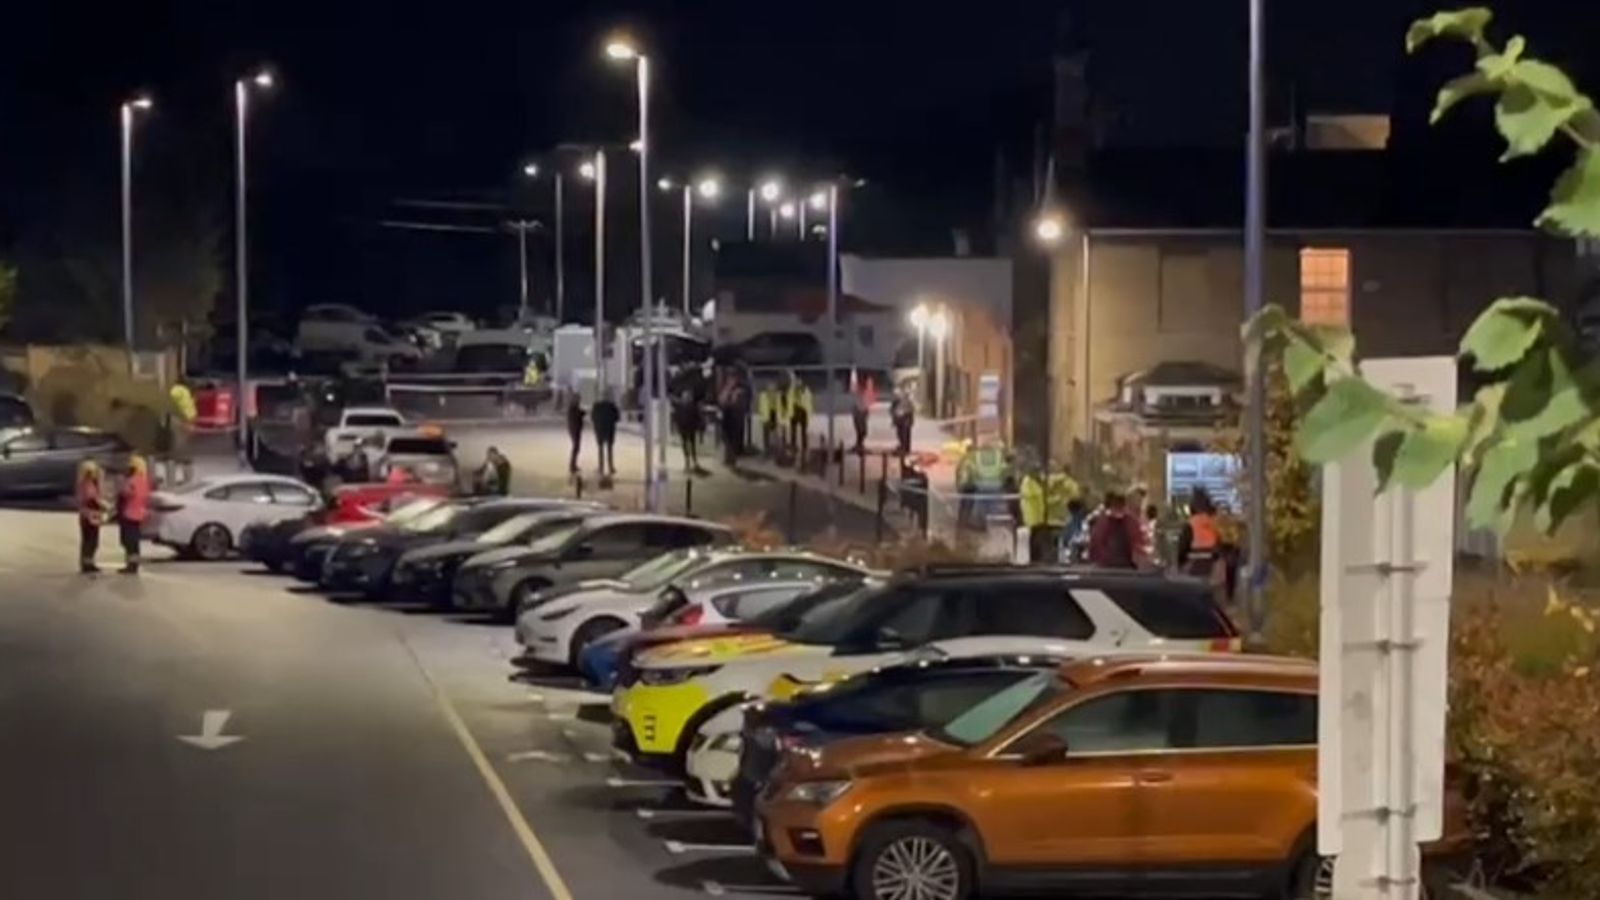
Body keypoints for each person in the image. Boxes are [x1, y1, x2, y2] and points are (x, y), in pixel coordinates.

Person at [1087, 491, 1144, 569]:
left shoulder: (1104, 521)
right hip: (1115, 563)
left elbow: (1096, 542)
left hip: (1114, 563)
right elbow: (1138, 543)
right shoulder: (1130, 521)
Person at [1176, 488, 1221, 579]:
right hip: (1212, 566)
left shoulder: (1191, 524)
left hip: (1194, 565)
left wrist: (1179, 565)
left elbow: (1183, 547)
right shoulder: (1214, 522)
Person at [117, 454, 151, 574]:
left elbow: (126, 493)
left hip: (129, 513)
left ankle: (131, 565)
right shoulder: (144, 480)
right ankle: (134, 564)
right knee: (134, 541)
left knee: (128, 541)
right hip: (139, 514)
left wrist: (122, 485)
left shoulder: (132, 480)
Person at [76, 460, 107, 574]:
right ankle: (87, 564)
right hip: (89, 516)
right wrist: (103, 505)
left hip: (90, 516)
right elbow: (91, 499)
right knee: (90, 541)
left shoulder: (87, 483)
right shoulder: (87, 484)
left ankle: (88, 563)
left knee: (90, 541)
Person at [674, 387, 704, 474]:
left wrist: (699, 425)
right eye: (686, 396)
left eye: (687, 396)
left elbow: (697, 417)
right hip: (685, 428)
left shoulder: (690, 406)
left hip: (690, 428)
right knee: (688, 444)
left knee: (691, 444)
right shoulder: (683, 406)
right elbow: (677, 417)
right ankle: (689, 461)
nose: (687, 398)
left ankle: (692, 461)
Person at [591, 389, 619, 478]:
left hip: (600, 430)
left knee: (600, 449)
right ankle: (611, 467)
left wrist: (597, 424)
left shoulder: (596, 406)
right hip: (610, 430)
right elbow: (617, 417)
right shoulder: (612, 406)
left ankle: (601, 467)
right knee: (610, 450)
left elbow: (593, 417)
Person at [786, 374, 812, 463]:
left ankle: (804, 448)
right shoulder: (791, 390)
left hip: (803, 411)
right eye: (796, 381)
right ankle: (793, 447)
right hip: (794, 411)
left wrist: (808, 414)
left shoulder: (805, 390)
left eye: (799, 381)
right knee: (793, 431)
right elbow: (789, 400)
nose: (797, 383)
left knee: (803, 432)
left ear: (801, 382)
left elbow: (808, 402)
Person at [1058, 498, 1090, 564]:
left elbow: (1068, 533)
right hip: (1078, 540)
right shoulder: (1079, 518)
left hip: (1074, 540)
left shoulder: (1072, 519)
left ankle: (1067, 559)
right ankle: (1079, 558)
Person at [851, 374, 876, 453]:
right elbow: (859, 404)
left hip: (862, 413)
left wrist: (866, 412)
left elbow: (867, 402)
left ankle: (859, 445)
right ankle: (859, 445)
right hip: (859, 413)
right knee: (861, 431)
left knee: (863, 431)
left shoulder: (864, 392)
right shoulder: (859, 392)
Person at [889, 388, 915, 456]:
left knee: (904, 435)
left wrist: (903, 413)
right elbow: (892, 411)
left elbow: (910, 409)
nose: (894, 397)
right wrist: (894, 419)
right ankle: (903, 448)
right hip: (901, 421)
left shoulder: (906, 400)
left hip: (905, 421)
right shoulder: (895, 403)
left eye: (896, 395)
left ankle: (905, 449)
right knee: (900, 434)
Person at [565, 394, 586, 476]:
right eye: (578, 399)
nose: (579, 401)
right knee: (576, 447)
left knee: (576, 448)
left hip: (575, 429)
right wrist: (582, 413)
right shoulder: (573, 408)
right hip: (575, 430)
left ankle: (573, 465)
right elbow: (578, 415)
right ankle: (572, 466)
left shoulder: (573, 408)